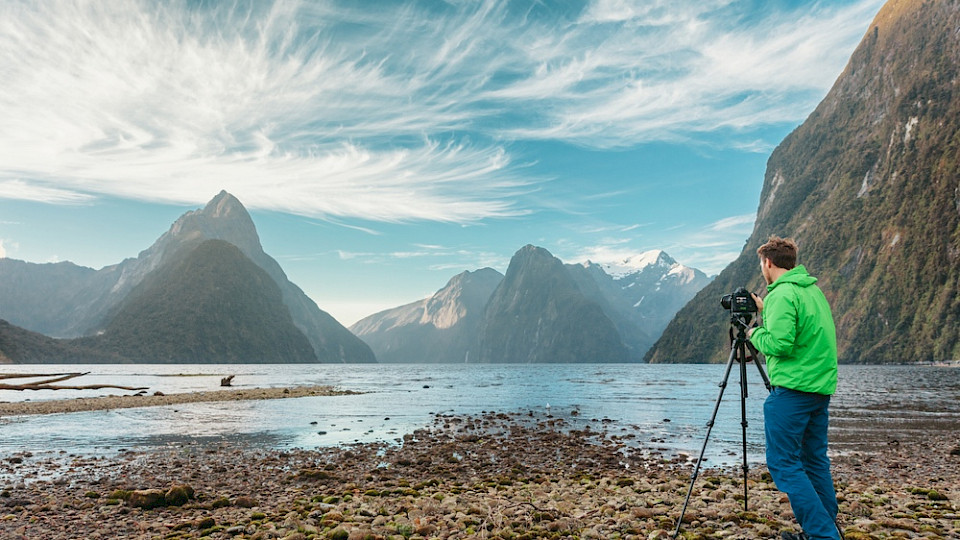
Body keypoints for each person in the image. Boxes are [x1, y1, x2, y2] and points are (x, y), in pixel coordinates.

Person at [746, 236, 840, 540]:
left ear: (768, 263)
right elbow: (802, 335)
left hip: (793, 391)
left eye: (762, 263)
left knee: (784, 464)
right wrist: (765, 313)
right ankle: (825, 529)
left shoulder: (782, 295)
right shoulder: (812, 291)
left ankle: (824, 535)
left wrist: (753, 333)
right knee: (814, 461)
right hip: (818, 389)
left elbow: (781, 344)